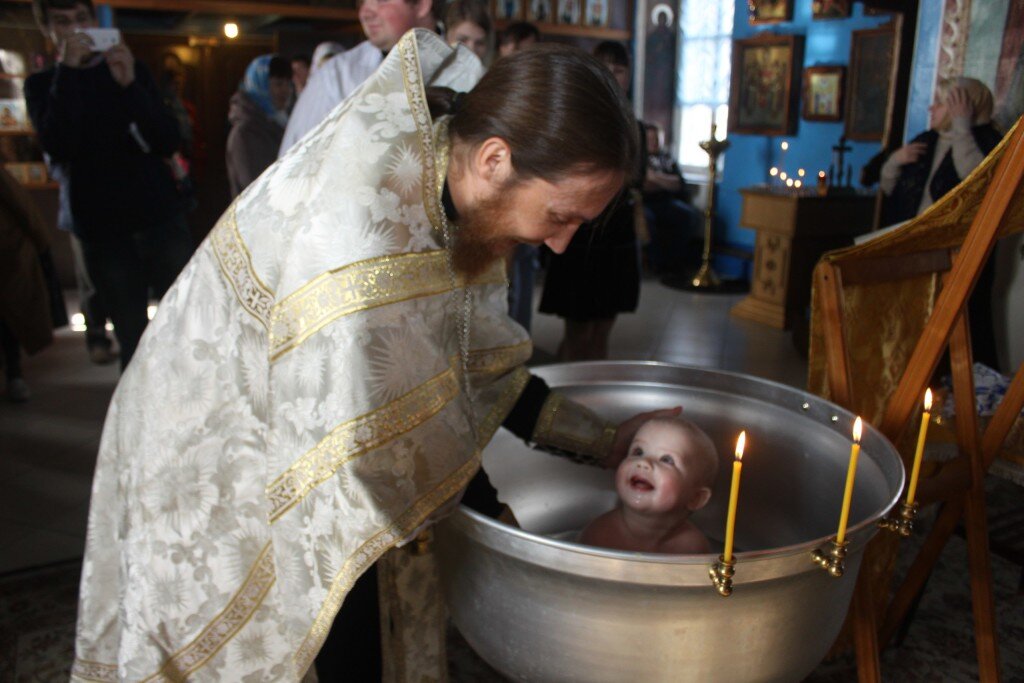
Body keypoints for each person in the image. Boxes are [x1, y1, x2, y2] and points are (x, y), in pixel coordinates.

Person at [71, 30, 678, 682]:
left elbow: (474, 363)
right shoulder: (363, 237)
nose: (560, 245)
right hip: (211, 430)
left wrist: (605, 440)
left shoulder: (461, 190)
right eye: (562, 216)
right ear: (497, 160)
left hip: (319, 433)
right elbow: (351, 483)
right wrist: (497, 521)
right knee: (303, 612)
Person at [25, 0, 193, 370]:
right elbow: (58, 145)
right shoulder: (42, 85)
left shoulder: (129, 70)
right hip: (103, 229)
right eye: (63, 22)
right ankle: (143, 422)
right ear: (50, 32)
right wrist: (68, 73)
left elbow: (167, 139)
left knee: (187, 322)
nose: (76, 29)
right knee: (133, 334)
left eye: (82, 19)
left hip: (158, 217)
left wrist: (131, 86)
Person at [877, 77, 1003, 369]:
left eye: (943, 101)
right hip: (912, 246)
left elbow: (976, 181)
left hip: (953, 254)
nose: (932, 107)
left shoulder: (985, 141)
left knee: (951, 331)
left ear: (963, 107)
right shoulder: (927, 140)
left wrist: (961, 127)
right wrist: (894, 161)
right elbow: (888, 188)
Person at [538, 40, 644, 360]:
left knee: (603, 328)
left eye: (619, 69)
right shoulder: (577, 121)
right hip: (582, 234)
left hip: (617, 233)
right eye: (605, 68)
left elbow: (637, 177)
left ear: (628, 76)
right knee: (578, 330)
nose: (613, 76)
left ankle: (593, 398)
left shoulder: (634, 126)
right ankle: (564, 397)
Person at [279, 0, 437, 155]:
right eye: (361, 2)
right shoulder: (336, 77)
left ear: (422, 4)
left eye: (381, 1)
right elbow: (294, 159)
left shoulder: (458, 65)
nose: (365, 13)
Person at [580, 417, 717, 553]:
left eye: (666, 460)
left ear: (696, 498)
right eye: (638, 452)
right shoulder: (600, 535)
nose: (643, 462)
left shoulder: (692, 548)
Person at [0, 164, 64, 402]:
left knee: (10, 319)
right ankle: (14, 375)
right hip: (9, 253)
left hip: (8, 255)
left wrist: (41, 242)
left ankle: (14, 374)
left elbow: (20, 205)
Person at [226, 54, 293, 198]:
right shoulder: (245, 133)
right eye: (278, 84)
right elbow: (255, 188)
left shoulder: (279, 120)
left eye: (288, 84)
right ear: (259, 83)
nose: (286, 90)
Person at [642, 122, 699, 274]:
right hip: (645, 202)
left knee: (687, 215)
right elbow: (644, 184)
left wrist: (655, 177)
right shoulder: (639, 159)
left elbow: (678, 184)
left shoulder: (668, 159)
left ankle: (675, 262)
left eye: (656, 139)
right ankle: (656, 263)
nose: (654, 142)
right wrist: (666, 181)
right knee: (647, 220)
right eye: (650, 139)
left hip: (667, 201)